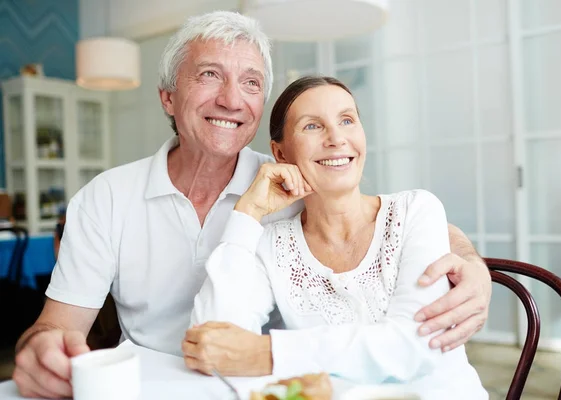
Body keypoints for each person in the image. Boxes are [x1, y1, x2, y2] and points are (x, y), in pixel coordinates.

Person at [12, 11, 491, 399]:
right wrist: (39, 351)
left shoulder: (299, 178)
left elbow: (380, 215)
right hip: (151, 385)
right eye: (209, 75)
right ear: (167, 97)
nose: (231, 100)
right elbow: (54, 326)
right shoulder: (106, 196)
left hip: (264, 386)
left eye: (251, 82)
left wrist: (472, 261)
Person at [183, 76, 488, 399]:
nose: (337, 138)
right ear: (281, 154)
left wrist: (267, 352)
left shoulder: (415, 211)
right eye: (313, 126)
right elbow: (211, 343)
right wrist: (248, 212)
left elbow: (415, 344)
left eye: (346, 120)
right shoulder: (272, 244)